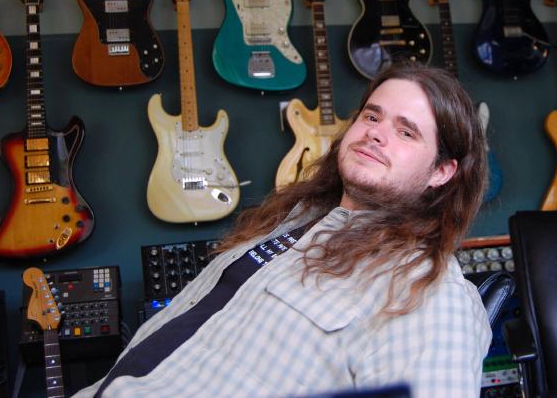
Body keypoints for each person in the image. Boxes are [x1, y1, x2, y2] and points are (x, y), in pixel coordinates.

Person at [75, 63, 492, 398]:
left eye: (406, 131)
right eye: (371, 115)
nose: (376, 133)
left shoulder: (427, 290)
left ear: (441, 171)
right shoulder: (291, 218)